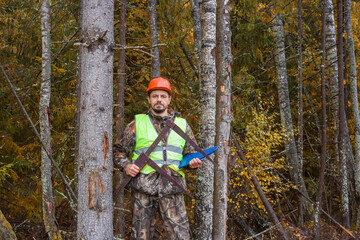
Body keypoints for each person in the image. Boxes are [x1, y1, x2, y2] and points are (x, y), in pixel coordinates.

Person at [113, 77, 202, 240]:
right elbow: (118, 151)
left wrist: (193, 163)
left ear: (169, 99)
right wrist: (126, 166)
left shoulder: (183, 125)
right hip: (143, 191)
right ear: (149, 99)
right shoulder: (136, 124)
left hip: (173, 190)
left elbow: (190, 155)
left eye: (163, 96)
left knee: (181, 237)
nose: (159, 100)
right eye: (155, 96)